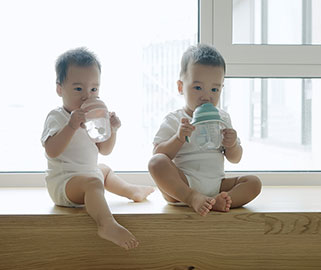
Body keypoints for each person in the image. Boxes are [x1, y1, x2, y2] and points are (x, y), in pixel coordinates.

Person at [41, 47, 154, 250]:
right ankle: (106, 224)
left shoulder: (93, 116)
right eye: (78, 89)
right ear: (59, 89)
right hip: (64, 183)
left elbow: (105, 149)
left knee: (104, 170)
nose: (87, 96)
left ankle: (132, 191)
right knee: (94, 181)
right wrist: (71, 126)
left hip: (87, 175)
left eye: (93, 90)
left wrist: (113, 129)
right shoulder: (57, 117)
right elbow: (52, 150)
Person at [148, 44, 262, 217]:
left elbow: (235, 159)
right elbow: (159, 153)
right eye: (198, 87)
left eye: (214, 89)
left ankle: (219, 200)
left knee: (254, 183)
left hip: (216, 184)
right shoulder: (175, 120)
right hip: (183, 183)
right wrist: (179, 138)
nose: (206, 96)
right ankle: (192, 197)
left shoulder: (222, 118)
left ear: (222, 89)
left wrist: (231, 145)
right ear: (181, 87)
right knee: (156, 163)